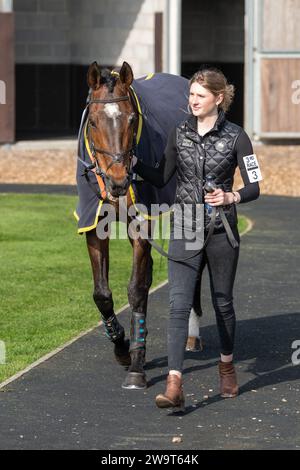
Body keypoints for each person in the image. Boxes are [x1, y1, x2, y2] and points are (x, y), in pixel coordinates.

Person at [132, 67, 261, 410]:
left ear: (219, 98)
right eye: (190, 95)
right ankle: (175, 383)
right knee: (178, 304)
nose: (192, 101)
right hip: (185, 224)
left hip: (222, 229)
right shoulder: (179, 133)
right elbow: (161, 175)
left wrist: (231, 197)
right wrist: (132, 163)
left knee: (222, 303)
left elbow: (255, 186)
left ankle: (226, 365)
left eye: (199, 96)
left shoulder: (238, 137)